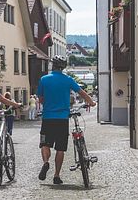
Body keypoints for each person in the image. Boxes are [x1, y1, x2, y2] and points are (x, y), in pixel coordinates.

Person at [36, 56, 96, 185]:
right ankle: (56, 175)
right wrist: (91, 102)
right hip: (62, 119)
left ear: (53, 65)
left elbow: (40, 98)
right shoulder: (68, 80)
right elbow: (81, 92)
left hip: (48, 118)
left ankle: (46, 163)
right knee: (60, 149)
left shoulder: (44, 79)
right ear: (63, 67)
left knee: (45, 144)